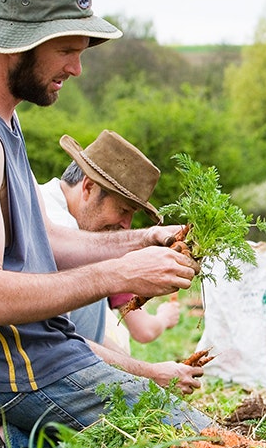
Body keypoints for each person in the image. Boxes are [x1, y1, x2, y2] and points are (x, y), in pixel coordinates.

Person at [0, 0, 213, 448]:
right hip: (2, 369)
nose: (76, 68)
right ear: (19, 43)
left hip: (35, 357)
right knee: (202, 442)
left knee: (160, 445)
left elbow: (46, 240)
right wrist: (120, 274)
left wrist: (144, 240)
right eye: (67, 50)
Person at [39, 130, 199, 393]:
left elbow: (83, 332)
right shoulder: (56, 223)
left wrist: (142, 374)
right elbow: (54, 341)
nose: (126, 225)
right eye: (123, 210)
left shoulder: (71, 222)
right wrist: (150, 375)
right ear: (89, 187)